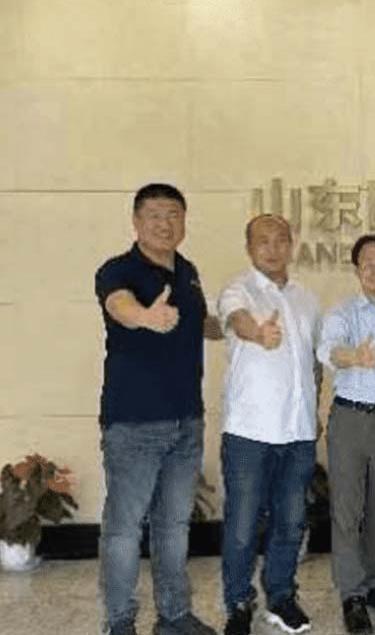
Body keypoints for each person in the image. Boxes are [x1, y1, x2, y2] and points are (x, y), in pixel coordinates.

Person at [94, 183, 222, 635]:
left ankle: (173, 615)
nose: (164, 224)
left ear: (184, 222)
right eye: (154, 215)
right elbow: (120, 306)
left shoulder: (187, 271)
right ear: (136, 221)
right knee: (124, 529)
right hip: (134, 423)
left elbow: (199, 321)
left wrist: (236, 326)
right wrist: (146, 317)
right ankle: (119, 622)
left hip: (187, 419)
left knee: (173, 525)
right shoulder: (118, 270)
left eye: (174, 215)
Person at [217, 214, 321, 635]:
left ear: (291, 245)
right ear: (249, 247)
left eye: (281, 240)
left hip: (298, 432)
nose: (273, 248)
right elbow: (238, 320)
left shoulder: (306, 298)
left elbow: (312, 362)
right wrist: (259, 334)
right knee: (243, 526)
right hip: (250, 432)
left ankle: (281, 597)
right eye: (263, 240)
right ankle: (239, 602)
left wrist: (315, 411)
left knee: (291, 523)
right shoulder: (237, 290)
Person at [317, 234, 375, 635]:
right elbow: (328, 350)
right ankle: (352, 595)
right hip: (351, 418)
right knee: (348, 511)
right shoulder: (343, 312)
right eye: (368, 263)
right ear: (356, 270)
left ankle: (374, 583)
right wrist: (354, 356)